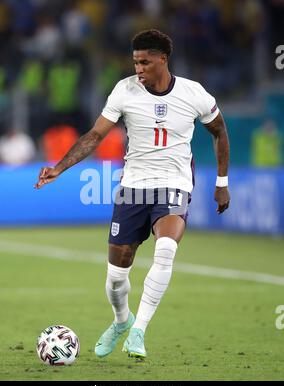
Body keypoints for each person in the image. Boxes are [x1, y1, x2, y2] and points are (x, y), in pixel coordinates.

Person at [35, 29, 230, 359]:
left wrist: (222, 182)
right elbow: (96, 135)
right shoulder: (124, 91)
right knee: (116, 276)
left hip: (174, 183)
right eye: (135, 62)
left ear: (162, 59)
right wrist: (59, 167)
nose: (138, 69)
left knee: (166, 249)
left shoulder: (193, 93)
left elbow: (219, 131)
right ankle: (122, 320)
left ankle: (139, 331)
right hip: (133, 187)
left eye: (144, 62)